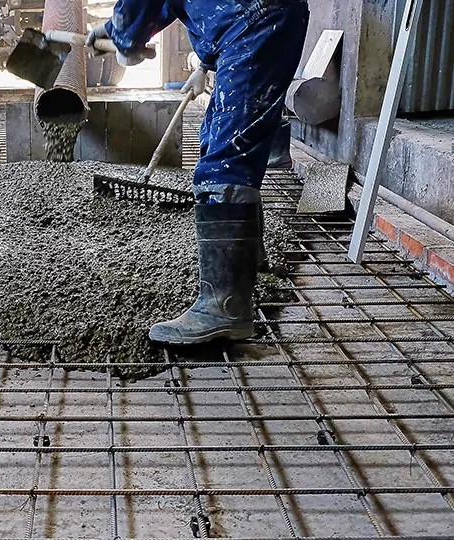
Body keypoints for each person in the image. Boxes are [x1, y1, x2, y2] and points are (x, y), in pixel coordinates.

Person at [88, 0, 309, 344]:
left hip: (253, 22)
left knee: (225, 158)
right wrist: (204, 63)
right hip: (263, 17)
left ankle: (224, 306)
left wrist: (124, 36)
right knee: (227, 136)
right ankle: (248, 259)